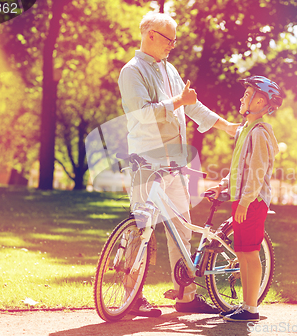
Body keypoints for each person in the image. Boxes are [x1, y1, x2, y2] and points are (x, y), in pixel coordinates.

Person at [118, 12, 239, 317]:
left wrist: (226, 127)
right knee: (140, 228)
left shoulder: (169, 70)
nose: (172, 45)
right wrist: (178, 103)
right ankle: (132, 298)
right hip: (146, 160)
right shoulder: (132, 72)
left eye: (174, 39)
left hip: (175, 163)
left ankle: (186, 295)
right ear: (150, 35)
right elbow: (141, 113)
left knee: (181, 228)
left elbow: (192, 104)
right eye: (168, 39)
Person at [206, 75, 283, 322]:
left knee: (250, 254)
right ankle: (245, 306)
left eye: (247, 95)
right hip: (242, 200)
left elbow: (257, 171)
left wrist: (247, 201)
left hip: (253, 202)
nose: (242, 98)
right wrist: (223, 185)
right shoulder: (245, 131)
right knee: (242, 253)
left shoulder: (259, 133)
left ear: (260, 102)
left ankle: (251, 308)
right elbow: (239, 167)